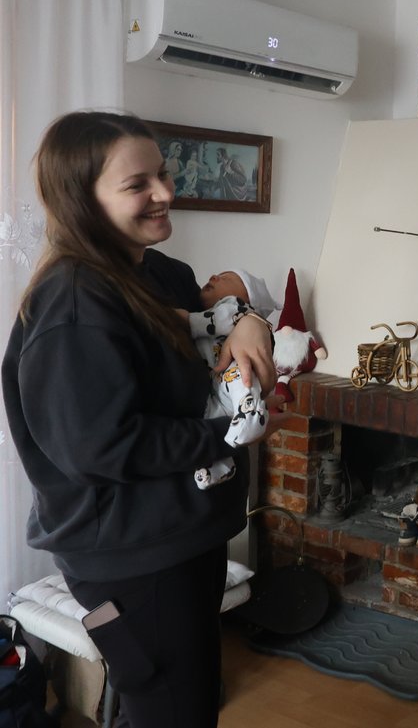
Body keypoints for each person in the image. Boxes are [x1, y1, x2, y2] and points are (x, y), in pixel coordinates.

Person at [1, 112, 276, 728]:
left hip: (186, 533)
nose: (164, 193)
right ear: (82, 199)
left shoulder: (160, 274)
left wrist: (250, 319)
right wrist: (229, 435)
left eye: (164, 174)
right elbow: (101, 447)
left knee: (177, 704)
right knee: (174, 712)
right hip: (132, 556)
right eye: (137, 184)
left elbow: (219, 315)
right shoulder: (75, 303)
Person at [187, 268, 278, 489]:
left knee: (241, 382)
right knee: (212, 417)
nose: (213, 277)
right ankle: (218, 466)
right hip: (215, 382)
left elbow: (222, 320)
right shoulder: (211, 308)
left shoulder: (236, 306)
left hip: (233, 365)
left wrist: (186, 319)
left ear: (247, 297)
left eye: (226, 278)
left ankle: (252, 413)